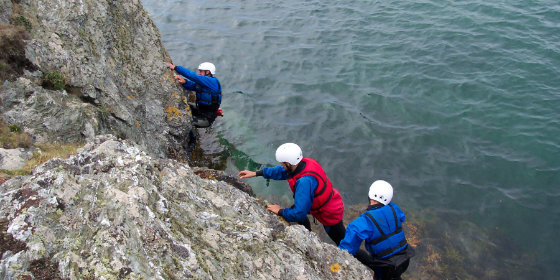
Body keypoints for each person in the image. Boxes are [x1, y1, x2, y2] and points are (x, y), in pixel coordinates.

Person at [237, 143, 346, 245]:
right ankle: (307, 235)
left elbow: (299, 213)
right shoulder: (303, 164)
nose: (281, 166)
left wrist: (280, 211)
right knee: (296, 211)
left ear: (288, 163)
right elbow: (280, 171)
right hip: (320, 202)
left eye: (282, 164)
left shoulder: (304, 182)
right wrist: (256, 173)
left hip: (329, 213)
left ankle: (361, 262)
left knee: (345, 244)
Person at [338, 180, 414, 280]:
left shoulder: (363, 222)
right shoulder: (395, 209)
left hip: (386, 267)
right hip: (405, 259)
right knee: (395, 276)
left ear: (370, 196)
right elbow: (401, 217)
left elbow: (347, 248)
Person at [168, 61, 222, 128]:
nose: (199, 73)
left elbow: (193, 76)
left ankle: (192, 138)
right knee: (183, 105)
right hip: (200, 111)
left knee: (185, 122)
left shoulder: (212, 82)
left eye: (201, 71)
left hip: (206, 119)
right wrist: (185, 82)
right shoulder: (205, 83)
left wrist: (176, 68)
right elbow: (194, 86)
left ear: (207, 72)